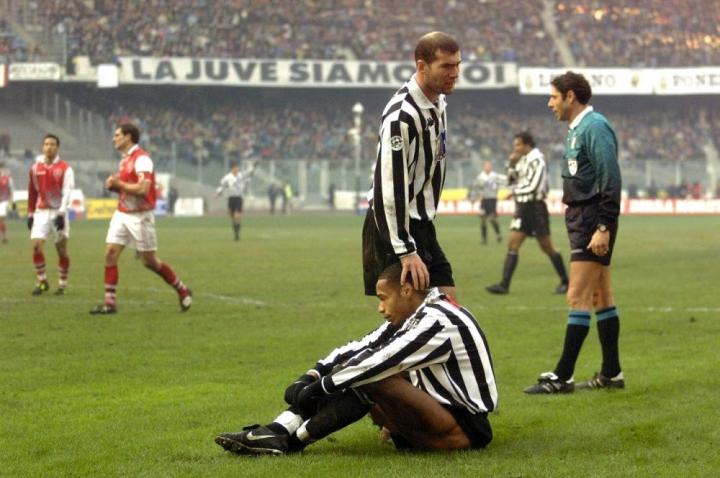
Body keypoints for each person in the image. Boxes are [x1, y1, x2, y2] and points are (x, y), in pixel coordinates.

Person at [214, 263, 497, 455]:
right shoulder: (416, 315)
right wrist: (313, 374)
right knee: (356, 368)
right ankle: (277, 431)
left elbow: (380, 362)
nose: (380, 308)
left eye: (383, 298)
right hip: (439, 416)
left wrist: (321, 387)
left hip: (465, 429)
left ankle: (291, 442)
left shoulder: (439, 319)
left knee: (369, 375)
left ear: (406, 291)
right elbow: (363, 345)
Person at [524, 71, 623, 394]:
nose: (549, 103)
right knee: (600, 295)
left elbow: (610, 179)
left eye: (554, 96)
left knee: (576, 296)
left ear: (570, 96)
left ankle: (563, 376)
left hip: (592, 219)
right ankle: (612, 374)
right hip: (583, 217)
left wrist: (603, 226)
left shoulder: (594, 127)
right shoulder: (578, 128)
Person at [363, 31, 461, 299]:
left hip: (421, 225)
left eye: (457, 65)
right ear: (421, 66)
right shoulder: (401, 117)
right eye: (446, 66)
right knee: (407, 316)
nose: (455, 73)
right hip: (395, 227)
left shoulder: (437, 103)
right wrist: (405, 250)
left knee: (448, 307)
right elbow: (388, 187)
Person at [90, 123, 192, 314]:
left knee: (149, 261)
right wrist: (115, 186)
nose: (114, 139)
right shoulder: (124, 159)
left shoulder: (142, 159)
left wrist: (118, 184)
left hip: (140, 216)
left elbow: (143, 189)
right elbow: (127, 188)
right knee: (110, 254)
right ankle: (109, 303)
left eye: (117, 135)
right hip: (122, 213)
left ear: (128, 137)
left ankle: (182, 289)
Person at [486, 132, 569, 295]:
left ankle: (566, 282)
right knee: (513, 244)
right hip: (523, 208)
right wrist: (511, 164)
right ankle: (504, 285)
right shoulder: (523, 160)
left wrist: (513, 192)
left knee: (547, 247)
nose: (515, 148)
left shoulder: (537, 160)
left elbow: (534, 186)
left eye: (518, 144)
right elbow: (511, 181)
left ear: (527, 144)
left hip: (535, 208)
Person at [26, 134, 74, 295]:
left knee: (61, 249)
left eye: (52, 144)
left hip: (58, 212)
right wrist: (30, 213)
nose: (49, 147)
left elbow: (67, 192)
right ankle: (42, 281)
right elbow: (32, 192)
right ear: (42, 147)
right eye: (46, 144)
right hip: (41, 212)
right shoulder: (35, 168)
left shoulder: (65, 168)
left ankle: (62, 284)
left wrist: (61, 213)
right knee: (36, 246)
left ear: (57, 147)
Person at [216, 160, 256, 241]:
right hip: (231, 198)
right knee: (233, 218)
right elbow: (222, 186)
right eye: (235, 168)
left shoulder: (241, 175)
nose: (237, 169)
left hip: (239, 198)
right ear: (232, 168)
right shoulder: (227, 178)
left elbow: (250, 173)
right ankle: (235, 233)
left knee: (237, 216)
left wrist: (252, 165)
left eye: (237, 168)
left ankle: (237, 235)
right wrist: (218, 193)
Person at [468, 160, 504, 244]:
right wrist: (474, 198)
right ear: (484, 167)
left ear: (491, 167)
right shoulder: (480, 177)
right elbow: (476, 188)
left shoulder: (495, 176)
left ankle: (498, 234)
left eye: (489, 166)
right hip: (484, 200)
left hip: (492, 199)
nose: (488, 167)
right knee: (483, 219)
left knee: (492, 218)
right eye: (486, 166)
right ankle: (484, 239)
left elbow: (500, 184)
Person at [0, 161, 16, 244]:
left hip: (4, 201)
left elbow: (12, 190)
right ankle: (4, 237)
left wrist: (13, 202)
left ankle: (4, 237)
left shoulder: (8, 179)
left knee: (1, 218)